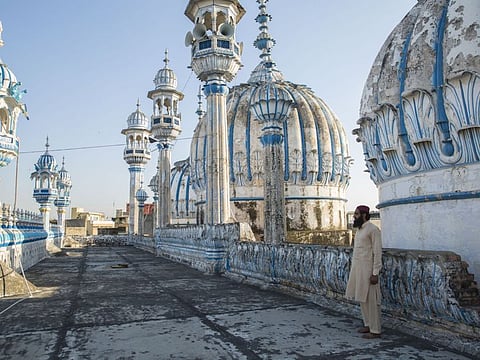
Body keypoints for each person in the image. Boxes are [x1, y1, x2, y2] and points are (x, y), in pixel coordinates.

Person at [345, 205, 382, 339]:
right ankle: (368, 324)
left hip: (369, 270)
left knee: (371, 300)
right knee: (362, 298)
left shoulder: (373, 230)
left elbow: (377, 252)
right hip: (358, 268)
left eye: (356, 214)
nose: (354, 216)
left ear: (365, 215)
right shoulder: (360, 230)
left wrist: (375, 273)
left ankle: (375, 330)